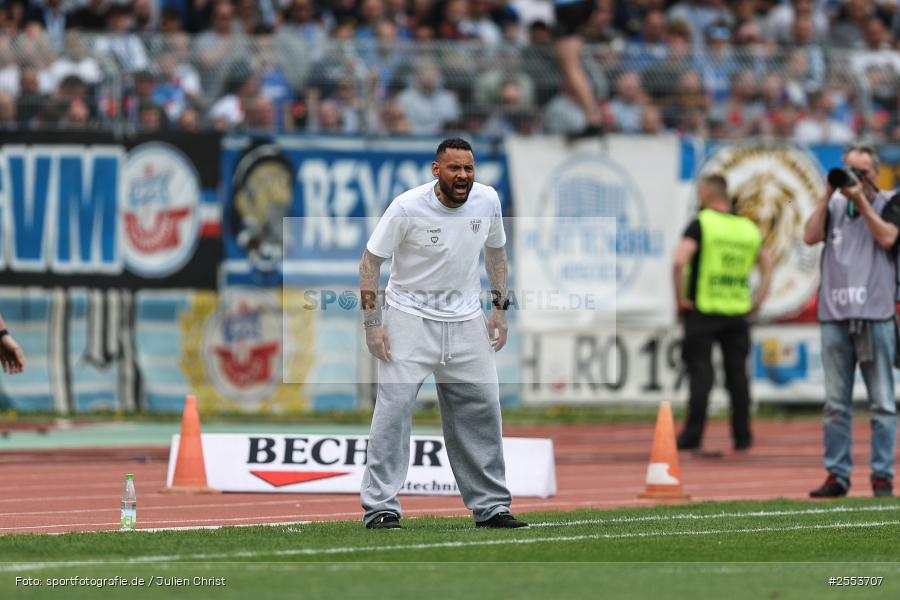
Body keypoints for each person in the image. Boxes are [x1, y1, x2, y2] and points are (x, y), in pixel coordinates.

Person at [358, 138, 526, 530]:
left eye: (468, 168)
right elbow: (370, 264)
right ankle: (381, 506)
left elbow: (497, 255)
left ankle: (491, 507)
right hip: (408, 318)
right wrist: (372, 323)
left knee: (483, 407)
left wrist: (499, 309)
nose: (463, 176)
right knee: (394, 411)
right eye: (454, 168)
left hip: (466, 319)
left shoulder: (488, 201)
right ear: (437, 170)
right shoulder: (406, 207)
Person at [803, 145, 900, 498]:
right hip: (835, 314)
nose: (854, 177)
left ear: (875, 172)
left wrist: (861, 200)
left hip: (876, 313)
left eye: (861, 171)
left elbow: (888, 237)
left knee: (883, 403)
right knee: (835, 403)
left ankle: (881, 476)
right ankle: (837, 474)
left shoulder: (890, 201)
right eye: (849, 170)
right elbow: (810, 236)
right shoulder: (834, 204)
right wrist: (828, 193)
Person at [673, 174, 773, 452]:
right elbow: (768, 264)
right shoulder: (747, 228)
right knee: (738, 378)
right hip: (738, 312)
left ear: (706, 192)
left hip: (703, 309)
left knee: (701, 374)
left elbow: (679, 262)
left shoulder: (701, 223)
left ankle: (692, 436)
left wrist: (680, 299)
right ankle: (743, 437)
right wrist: (758, 301)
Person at [552, 0, 605, 136]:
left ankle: (593, 119)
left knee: (571, 67)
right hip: (572, 6)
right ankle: (590, 117)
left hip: (570, 5)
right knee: (567, 65)